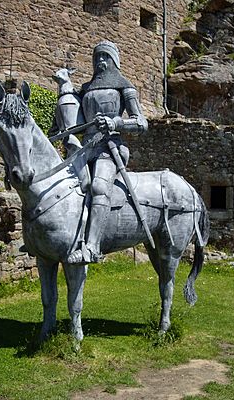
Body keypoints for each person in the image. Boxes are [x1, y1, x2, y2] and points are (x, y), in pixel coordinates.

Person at [67, 40, 148, 264]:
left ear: (114, 60)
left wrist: (116, 123)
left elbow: (141, 122)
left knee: (99, 186)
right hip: (84, 149)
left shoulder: (124, 87)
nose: (100, 61)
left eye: (105, 57)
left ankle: (92, 247)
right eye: (97, 57)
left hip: (109, 148)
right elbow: (74, 120)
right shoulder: (85, 89)